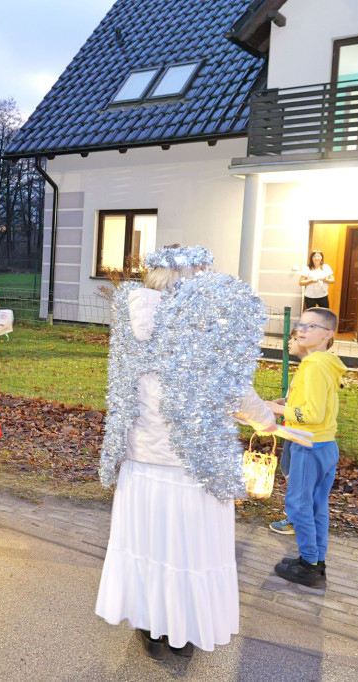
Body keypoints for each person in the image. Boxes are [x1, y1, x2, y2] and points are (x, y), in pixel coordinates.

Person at [95, 245, 277, 659]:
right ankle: (181, 628)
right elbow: (229, 384)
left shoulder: (129, 319)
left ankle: (152, 626)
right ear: (190, 276)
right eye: (204, 271)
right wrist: (265, 419)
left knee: (149, 545)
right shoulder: (199, 320)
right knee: (188, 549)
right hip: (193, 462)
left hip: (143, 459)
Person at [265, 307, 346, 589]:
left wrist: (278, 409)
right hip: (326, 445)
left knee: (299, 507)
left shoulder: (313, 366)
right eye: (301, 324)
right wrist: (284, 406)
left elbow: (312, 414)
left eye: (312, 327)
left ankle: (309, 565)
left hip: (307, 444)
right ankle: (316, 561)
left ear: (328, 335)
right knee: (316, 506)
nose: (302, 329)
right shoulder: (326, 363)